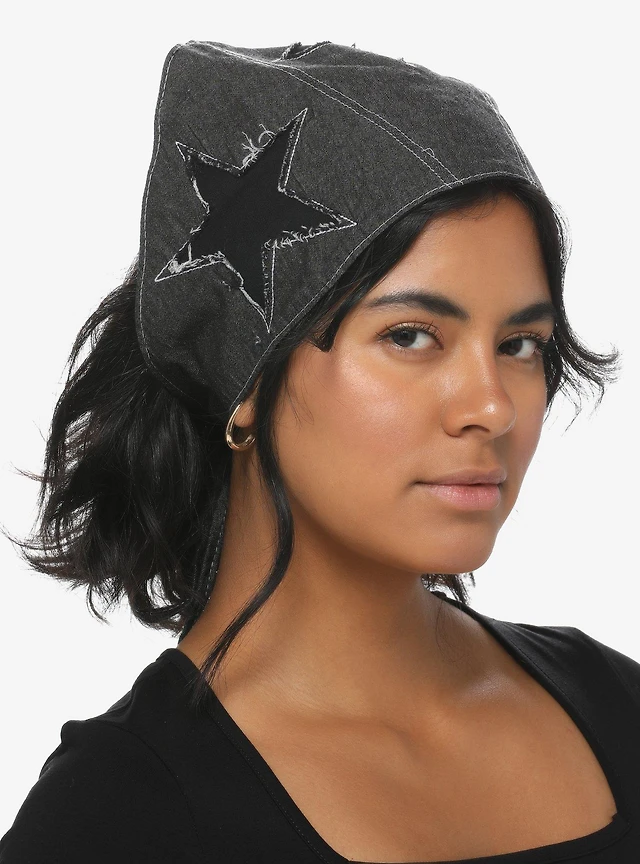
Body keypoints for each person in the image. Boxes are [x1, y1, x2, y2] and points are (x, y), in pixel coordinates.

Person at [1, 39, 637, 863]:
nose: (491, 406)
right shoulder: (116, 818)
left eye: (519, 345)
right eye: (411, 336)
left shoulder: (618, 707)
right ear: (247, 378)